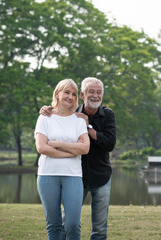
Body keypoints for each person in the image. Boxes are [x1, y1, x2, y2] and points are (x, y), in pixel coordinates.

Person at [41, 77, 116, 240]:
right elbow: (57, 112)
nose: (95, 96)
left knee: (100, 230)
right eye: (91, 92)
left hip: (101, 176)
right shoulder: (73, 113)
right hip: (75, 177)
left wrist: (88, 126)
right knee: (66, 224)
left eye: (99, 92)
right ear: (82, 94)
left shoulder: (108, 114)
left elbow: (109, 144)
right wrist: (46, 109)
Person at [35, 79, 90, 240]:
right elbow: (42, 148)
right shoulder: (44, 118)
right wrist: (71, 151)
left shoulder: (79, 120)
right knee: (53, 225)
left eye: (74, 94)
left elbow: (85, 148)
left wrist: (59, 144)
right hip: (47, 175)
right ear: (57, 94)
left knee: (73, 224)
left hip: (73, 176)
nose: (70, 97)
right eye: (66, 92)